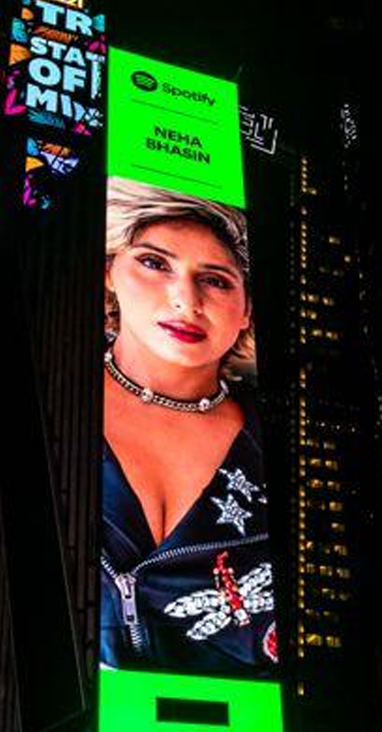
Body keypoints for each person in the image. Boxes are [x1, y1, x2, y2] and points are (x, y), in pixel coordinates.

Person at [100, 178, 275, 674]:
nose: (185, 300)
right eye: (155, 263)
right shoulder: (49, 393)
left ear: (246, 310)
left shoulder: (279, 438)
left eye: (216, 280)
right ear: (110, 270)